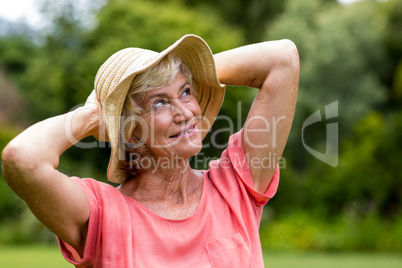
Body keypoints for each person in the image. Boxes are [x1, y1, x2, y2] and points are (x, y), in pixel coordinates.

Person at [1, 34, 299, 267]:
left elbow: (283, 59)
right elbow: (21, 159)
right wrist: (94, 114)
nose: (184, 112)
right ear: (131, 131)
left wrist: (195, 72)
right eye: (159, 103)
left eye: (186, 91)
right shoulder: (103, 216)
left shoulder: (234, 186)